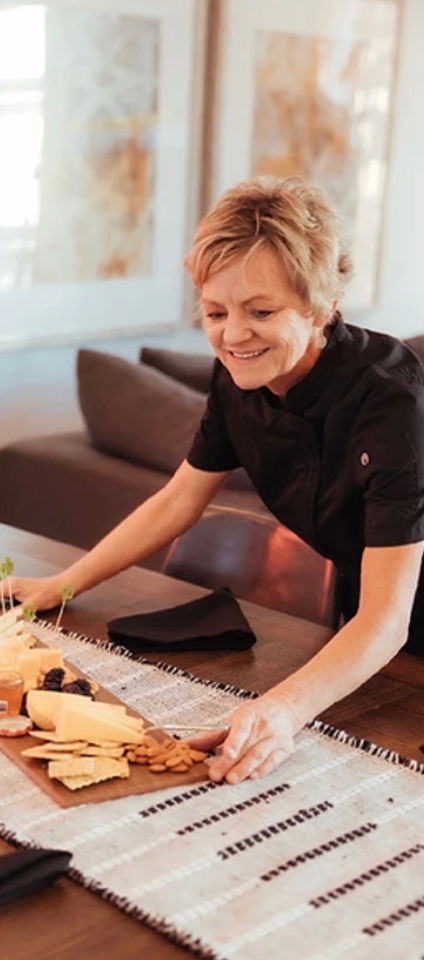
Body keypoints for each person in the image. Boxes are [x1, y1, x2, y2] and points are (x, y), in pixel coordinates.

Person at [8, 177, 424, 785]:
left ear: (322, 305)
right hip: (369, 626)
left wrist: (284, 709)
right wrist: (62, 585)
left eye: (261, 311)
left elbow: (388, 619)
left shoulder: (392, 402)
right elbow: (179, 499)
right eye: (215, 312)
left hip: (395, 617)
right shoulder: (237, 381)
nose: (232, 336)